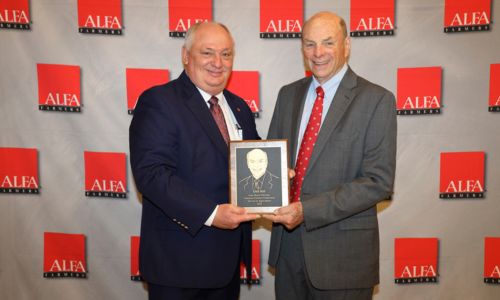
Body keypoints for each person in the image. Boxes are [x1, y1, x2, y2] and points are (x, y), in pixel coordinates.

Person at [264, 11, 397, 300]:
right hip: (288, 250)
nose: (318, 53)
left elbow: (378, 181)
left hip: (343, 258)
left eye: (328, 43)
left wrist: (306, 210)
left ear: (346, 45)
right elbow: (273, 162)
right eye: (309, 44)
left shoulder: (377, 100)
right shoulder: (288, 95)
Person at [129, 22, 259, 300]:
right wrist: (212, 213)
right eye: (207, 53)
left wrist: (276, 176)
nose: (217, 63)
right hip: (178, 265)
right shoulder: (159, 101)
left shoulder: (239, 107)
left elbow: (254, 161)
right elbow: (151, 175)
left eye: (226, 54)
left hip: (227, 262)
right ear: (186, 56)